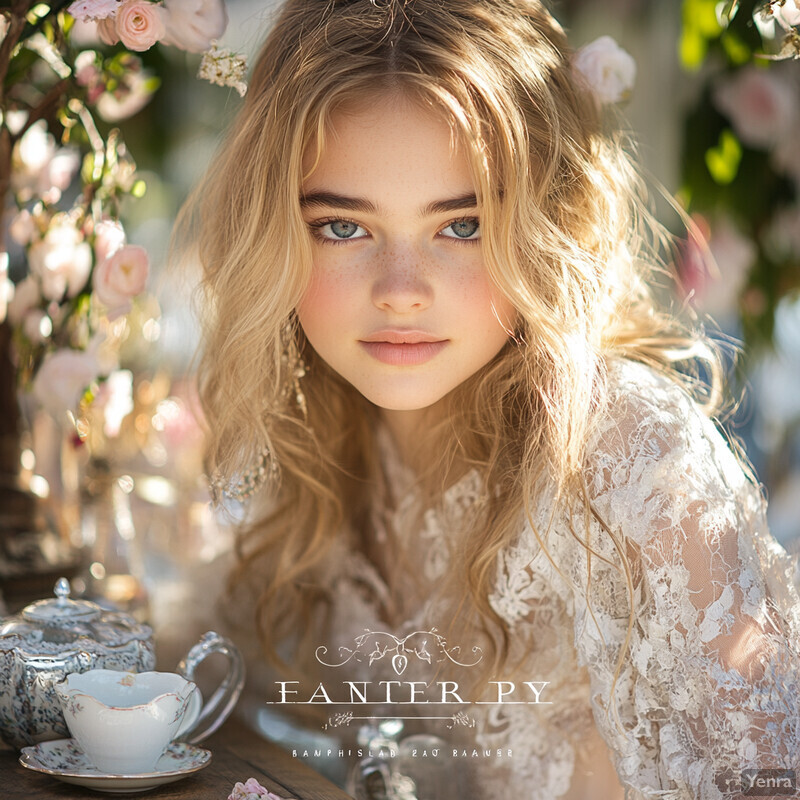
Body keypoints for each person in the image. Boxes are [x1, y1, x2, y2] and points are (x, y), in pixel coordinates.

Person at [175, 0, 800, 797]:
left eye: (462, 225)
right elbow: (200, 668)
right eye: (342, 227)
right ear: (273, 235)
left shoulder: (627, 456)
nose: (401, 293)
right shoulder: (315, 438)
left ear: (542, 225)